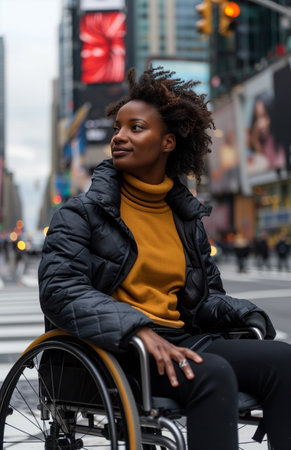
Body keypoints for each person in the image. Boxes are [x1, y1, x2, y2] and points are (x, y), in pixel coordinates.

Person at [39, 67, 291, 450]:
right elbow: (60, 290)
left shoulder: (186, 220)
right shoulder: (79, 215)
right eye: (117, 129)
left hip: (182, 341)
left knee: (283, 360)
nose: (120, 136)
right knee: (213, 374)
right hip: (118, 350)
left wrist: (243, 313)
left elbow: (204, 298)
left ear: (168, 142)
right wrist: (135, 329)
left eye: (135, 128)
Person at [246, 91, 286, 176]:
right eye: (258, 118)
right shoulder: (265, 139)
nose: (261, 124)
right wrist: (255, 138)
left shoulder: (280, 138)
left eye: (264, 116)